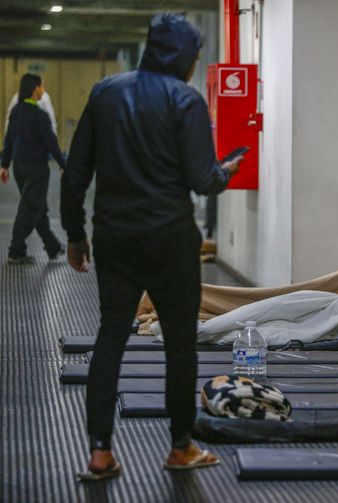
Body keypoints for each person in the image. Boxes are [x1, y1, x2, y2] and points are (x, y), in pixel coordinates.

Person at [61, 13, 243, 480]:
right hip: (171, 242)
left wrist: (75, 235)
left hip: (115, 239)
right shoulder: (185, 100)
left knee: (111, 338)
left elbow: (76, 169)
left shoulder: (106, 93)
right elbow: (205, 181)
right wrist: (230, 168)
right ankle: (180, 448)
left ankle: (100, 452)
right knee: (181, 346)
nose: (193, 66)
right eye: (194, 58)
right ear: (182, 56)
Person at [1, 73, 66, 264]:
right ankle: (16, 250)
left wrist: (4, 165)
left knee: (38, 208)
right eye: (41, 86)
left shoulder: (16, 112)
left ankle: (53, 248)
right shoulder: (40, 116)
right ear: (35, 89)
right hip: (36, 169)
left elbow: (9, 140)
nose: (43, 90)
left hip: (19, 167)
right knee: (30, 209)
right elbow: (52, 144)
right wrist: (64, 165)